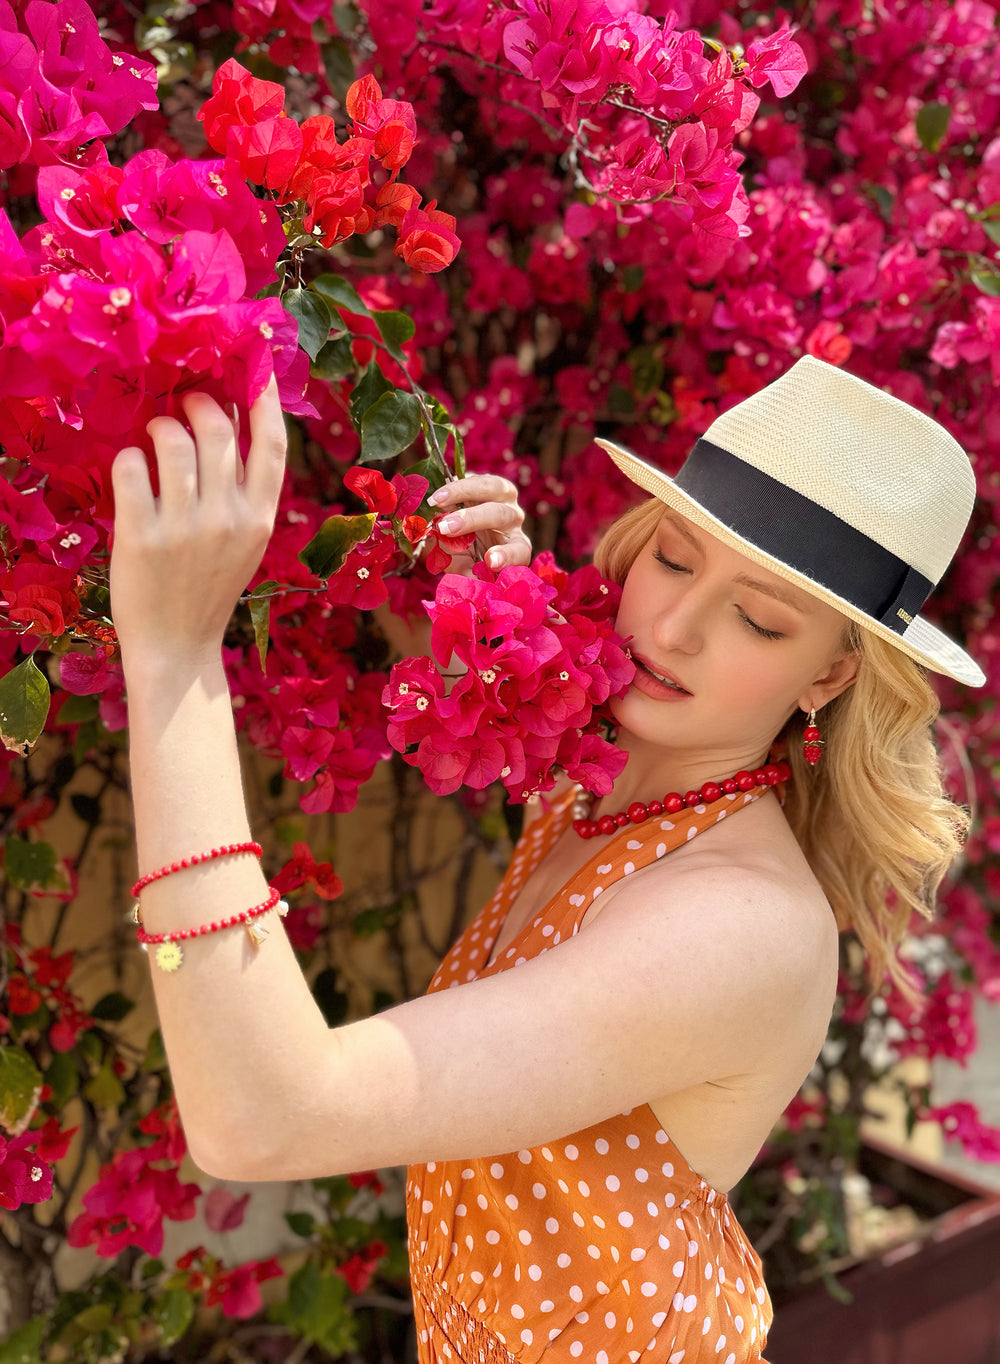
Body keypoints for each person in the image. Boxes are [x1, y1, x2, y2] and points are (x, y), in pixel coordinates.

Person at [109, 354, 983, 1364]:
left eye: (757, 618)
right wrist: (501, 621)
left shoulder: (738, 925)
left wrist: (173, 658)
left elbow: (266, 1116)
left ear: (828, 674)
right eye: (674, 558)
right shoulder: (606, 792)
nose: (672, 628)